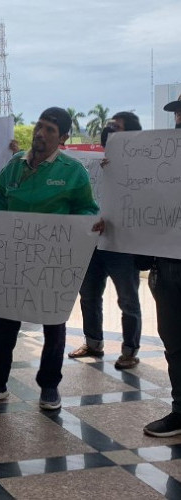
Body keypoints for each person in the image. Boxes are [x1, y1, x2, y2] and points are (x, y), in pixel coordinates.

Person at [0, 107, 99, 411]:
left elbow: (86, 209)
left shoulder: (72, 172)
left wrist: (92, 222)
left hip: (52, 264)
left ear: (62, 138)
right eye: (40, 126)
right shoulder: (15, 165)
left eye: (50, 130)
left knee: (54, 324)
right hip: (13, 261)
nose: (41, 133)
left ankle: (49, 386)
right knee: (2, 323)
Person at [69, 111, 143, 369]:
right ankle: (93, 343)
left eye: (116, 127)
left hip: (123, 244)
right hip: (91, 243)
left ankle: (130, 350)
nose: (109, 130)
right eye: (109, 126)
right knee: (88, 296)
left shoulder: (143, 165)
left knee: (128, 300)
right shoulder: (90, 162)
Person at [144, 96, 181, 436]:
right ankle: (180, 410)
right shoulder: (164, 160)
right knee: (174, 344)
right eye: (178, 113)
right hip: (168, 266)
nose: (179, 119)